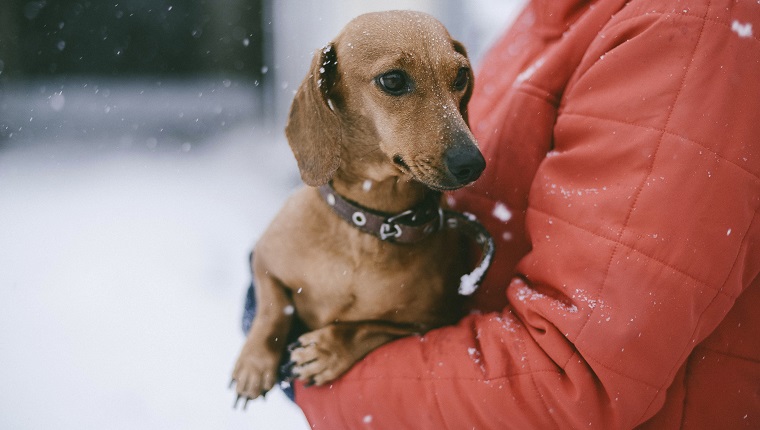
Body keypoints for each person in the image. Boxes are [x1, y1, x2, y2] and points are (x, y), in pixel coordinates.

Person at [290, 0, 760, 428]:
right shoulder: (548, 14)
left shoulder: (690, 27)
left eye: (456, 80)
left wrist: (323, 386)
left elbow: (570, 377)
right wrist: (295, 268)